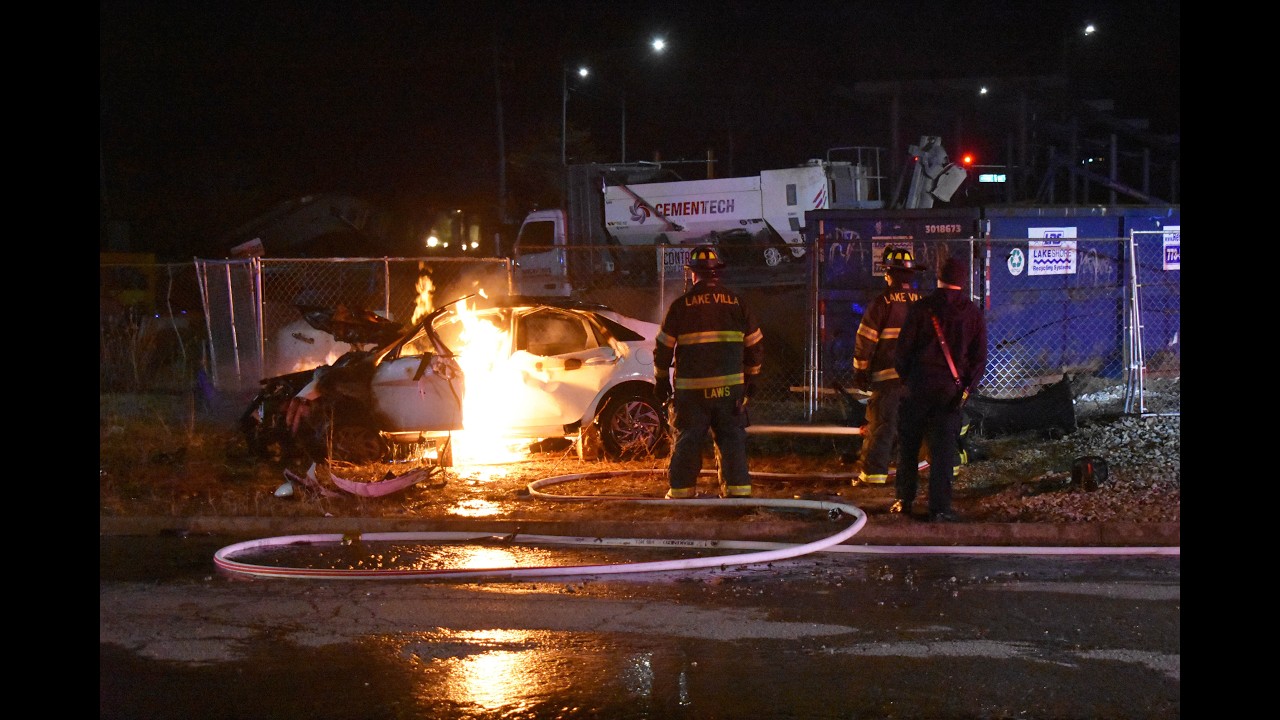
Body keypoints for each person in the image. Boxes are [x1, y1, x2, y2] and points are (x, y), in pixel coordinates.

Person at [654, 244, 764, 499]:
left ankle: (681, 491)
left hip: (691, 392)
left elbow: (663, 348)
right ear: (717, 273)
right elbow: (755, 346)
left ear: (693, 274)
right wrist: (753, 378)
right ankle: (738, 493)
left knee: (688, 439)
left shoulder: (680, 306)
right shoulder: (738, 304)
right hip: (730, 391)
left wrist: (661, 379)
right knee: (731, 440)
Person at [892, 256, 988, 522]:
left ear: (939, 278)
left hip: (918, 387)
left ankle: (904, 500)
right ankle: (940, 508)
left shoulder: (922, 309)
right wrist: (967, 389)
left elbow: (902, 352)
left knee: (909, 447)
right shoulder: (972, 313)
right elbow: (979, 358)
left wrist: (908, 378)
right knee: (944, 451)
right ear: (963, 281)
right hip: (950, 393)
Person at [849, 246, 926, 487]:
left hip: (888, 378)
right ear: (911, 275)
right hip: (918, 380)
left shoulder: (882, 303)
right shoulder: (923, 303)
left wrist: (860, 371)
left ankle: (872, 476)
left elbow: (865, 339)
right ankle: (924, 470)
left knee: (882, 425)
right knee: (919, 426)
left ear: (890, 274)